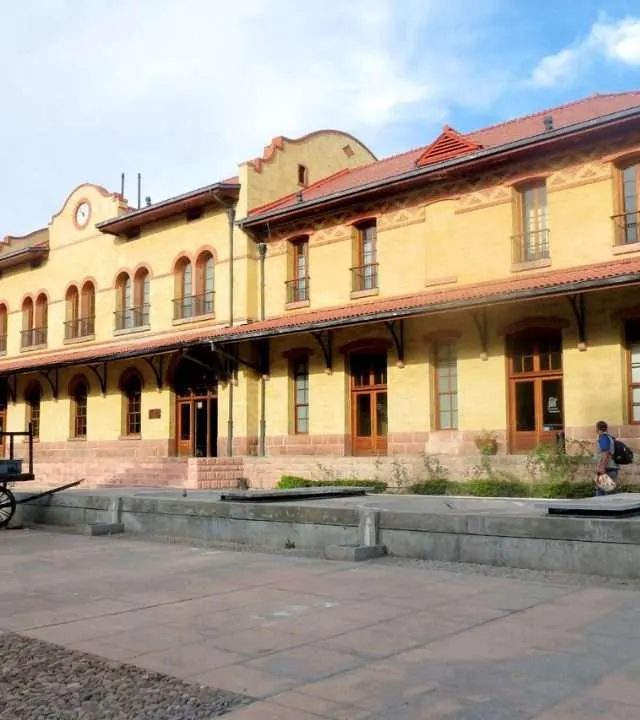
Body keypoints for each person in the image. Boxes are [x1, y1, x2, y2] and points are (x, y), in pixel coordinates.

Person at [595, 420, 618, 496]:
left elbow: (605, 453)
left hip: (607, 468)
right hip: (611, 467)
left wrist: (602, 468)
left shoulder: (603, 437)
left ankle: (599, 507)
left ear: (597, 429)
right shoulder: (610, 437)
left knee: (601, 492)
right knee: (610, 492)